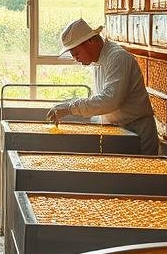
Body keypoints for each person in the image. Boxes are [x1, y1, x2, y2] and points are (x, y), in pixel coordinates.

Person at [45, 18, 159, 155]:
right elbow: (99, 100)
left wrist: (70, 108)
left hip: (136, 131)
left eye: (76, 53)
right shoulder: (98, 60)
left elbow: (110, 101)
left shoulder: (117, 58)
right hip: (118, 131)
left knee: (138, 175)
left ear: (90, 41)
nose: (76, 59)